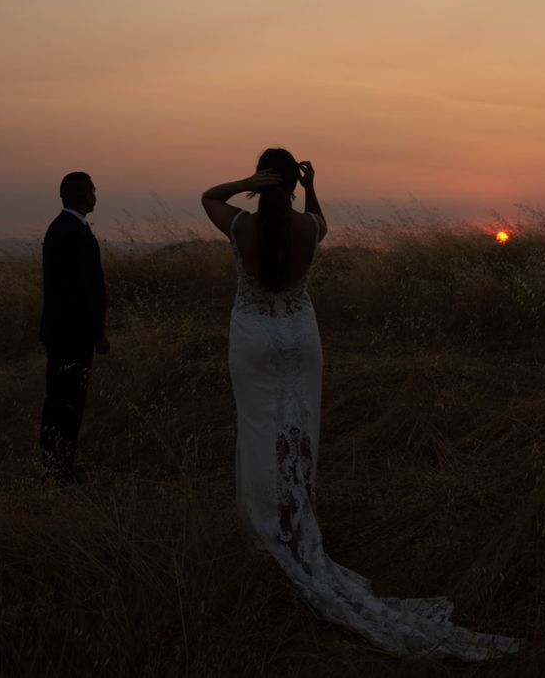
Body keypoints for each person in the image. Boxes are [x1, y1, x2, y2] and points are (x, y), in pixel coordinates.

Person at [202, 148, 521, 660]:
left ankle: (267, 527)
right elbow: (322, 220)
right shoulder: (308, 227)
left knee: (261, 430)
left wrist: (250, 181)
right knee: (299, 428)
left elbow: (207, 197)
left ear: (264, 183)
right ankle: (298, 512)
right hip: (301, 337)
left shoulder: (241, 225)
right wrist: (308, 185)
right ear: (293, 184)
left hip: (255, 338)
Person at [39, 171, 110, 483]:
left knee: (61, 400)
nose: (96, 195)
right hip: (72, 334)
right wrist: (97, 332)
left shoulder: (66, 228)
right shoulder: (70, 231)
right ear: (85, 195)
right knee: (67, 402)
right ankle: (59, 469)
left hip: (64, 332)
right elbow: (79, 289)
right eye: (93, 191)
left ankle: (56, 465)